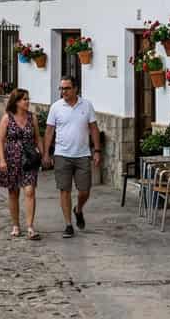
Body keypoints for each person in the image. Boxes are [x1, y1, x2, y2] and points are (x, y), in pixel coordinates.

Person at [41, 76, 100, 239]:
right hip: (62, 155)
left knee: (84, 191)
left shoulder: (87, 105)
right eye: (61, 88)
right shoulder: (56, 107)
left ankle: (78, 209)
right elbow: (49, 131)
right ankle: (68, 225)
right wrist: (46, 153)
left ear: (75, 89)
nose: (63, 92)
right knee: (64, 190)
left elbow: (94, 128)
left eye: (66, 88)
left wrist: (97, 151)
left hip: (82, 155)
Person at [0, 88, 42, 240]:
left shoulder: (32, 118)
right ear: (16, 102)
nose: (28, 102)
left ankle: (30, 227)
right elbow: (1, 141)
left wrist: (42, 155)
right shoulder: (7, 118)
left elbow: (37, 138)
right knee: (13, 192)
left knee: (30, 191)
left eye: (28, 99)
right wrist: (2, 161)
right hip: (11, 159)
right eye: (24, 99)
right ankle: (16, 225)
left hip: (29, 160)